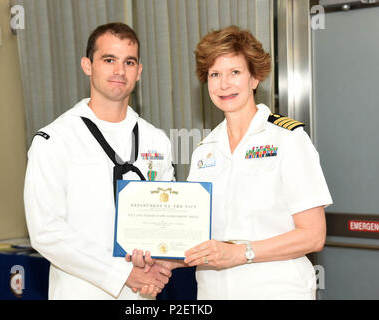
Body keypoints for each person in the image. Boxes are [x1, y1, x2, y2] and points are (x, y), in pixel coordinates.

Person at [127, 26, 332, 300]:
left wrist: (241, 252)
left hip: (277, 291)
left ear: (255, 78)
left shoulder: (288, 139)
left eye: (235, 72)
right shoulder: (204, 151)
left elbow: (313, 236)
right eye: (215, 74)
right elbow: (200, 238)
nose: (224, 84)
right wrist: (165, 262)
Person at [24, 22, 174, 300]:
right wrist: (122, 273)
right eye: (109, 60)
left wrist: (162, 265)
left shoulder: (157, 140)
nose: (119, 70)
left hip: (142, 295)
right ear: (87, 65)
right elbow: (46, 231)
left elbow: (167, 224)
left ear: (139, 71)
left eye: (129, 62)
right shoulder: (55, 140)